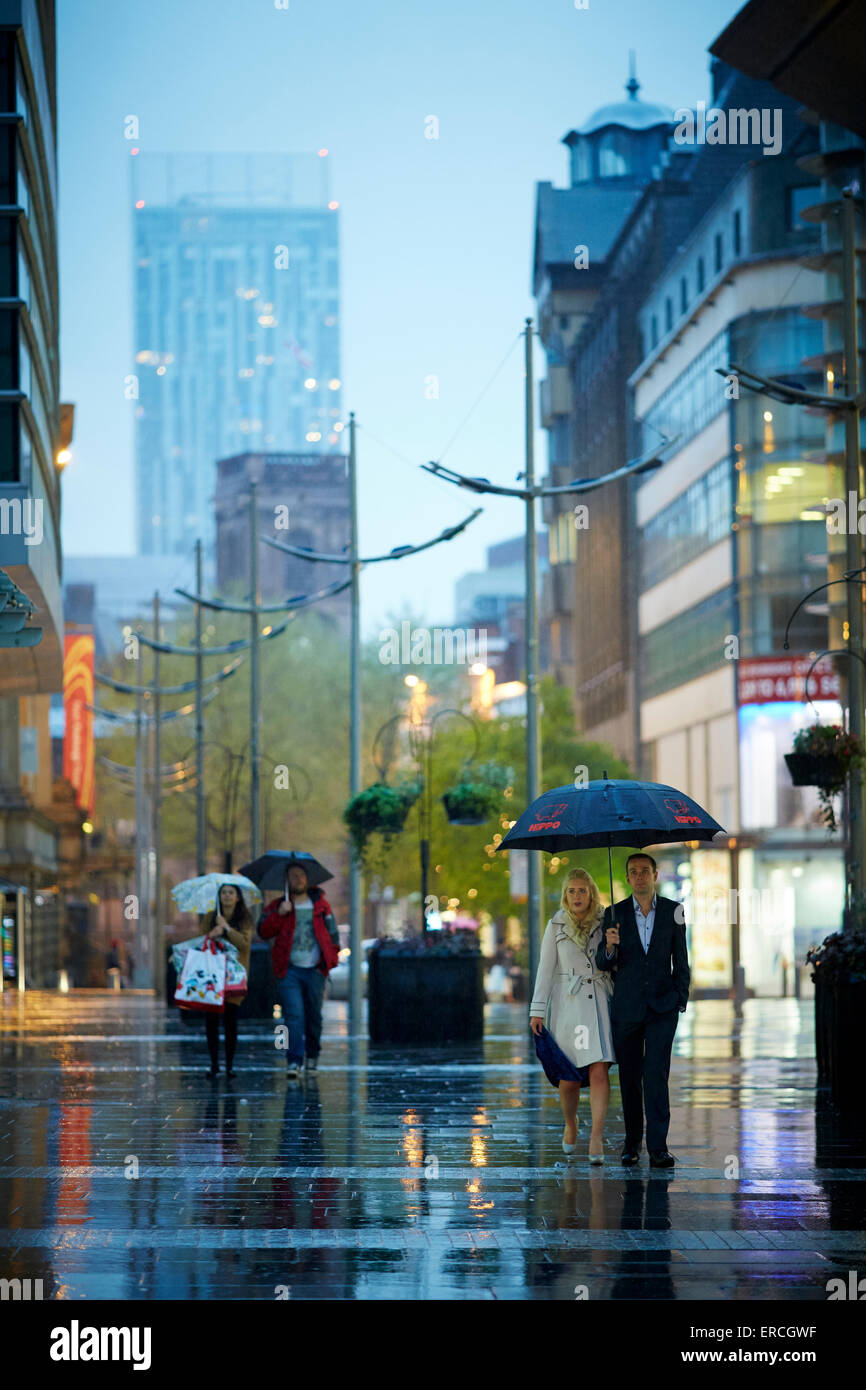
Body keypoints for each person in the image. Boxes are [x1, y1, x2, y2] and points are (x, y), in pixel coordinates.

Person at [597, 852, 690, 1169]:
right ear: (627, 878)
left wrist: (680, 996)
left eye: (644, 871)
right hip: (628, 1007)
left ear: (655, 875)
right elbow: (603, 963)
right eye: (633, 872)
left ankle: (659, 1146)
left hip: (663, 1006)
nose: (639, 876)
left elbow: (682, 958)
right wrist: (610, 946)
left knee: (656, 1074)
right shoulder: (614, 913)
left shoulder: (673, 911)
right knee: (630, 1076)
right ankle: (631, 1143)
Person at [530, 868, 615, 1162]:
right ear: (565, 895)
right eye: (571, 891)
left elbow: (613, 963)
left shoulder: (607, 921)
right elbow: (545, 969)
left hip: (599, 1002)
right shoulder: (556, 925)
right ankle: (571, 1122)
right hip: (568, 1007)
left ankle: (596, 1138)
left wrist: (614, 944)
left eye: (582, 890)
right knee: (569, 1079)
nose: (577, 896)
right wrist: (537, 1009)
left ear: (591, 892)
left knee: (599, 1069)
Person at [259, 863, 340, 1079]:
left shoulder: (322, 906)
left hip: (315, 970)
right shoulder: (279, 905)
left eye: (301, 875)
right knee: (293, 1016)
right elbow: (263, 931)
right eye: (293, 876)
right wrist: (278, 914)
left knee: (314, 1016)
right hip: (289, 970)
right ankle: (293, 1060)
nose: (298, 879)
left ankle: (312, 1056)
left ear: (308, 879)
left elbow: (333, 936)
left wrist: (330, 962)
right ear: (286, 881)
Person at [202, 883, 253, 1078]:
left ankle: (230, 1066)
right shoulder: (210, 917)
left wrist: (227, 928)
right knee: (211, 1022)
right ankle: (214, 1064)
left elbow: (245, 944)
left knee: (231, 1022)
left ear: (237, 897)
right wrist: (212, 933)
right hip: (213, 976)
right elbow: (202, 941)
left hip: (234, 978)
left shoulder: (245, 919)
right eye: (223, 893)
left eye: (231, 893)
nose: (227, 896)